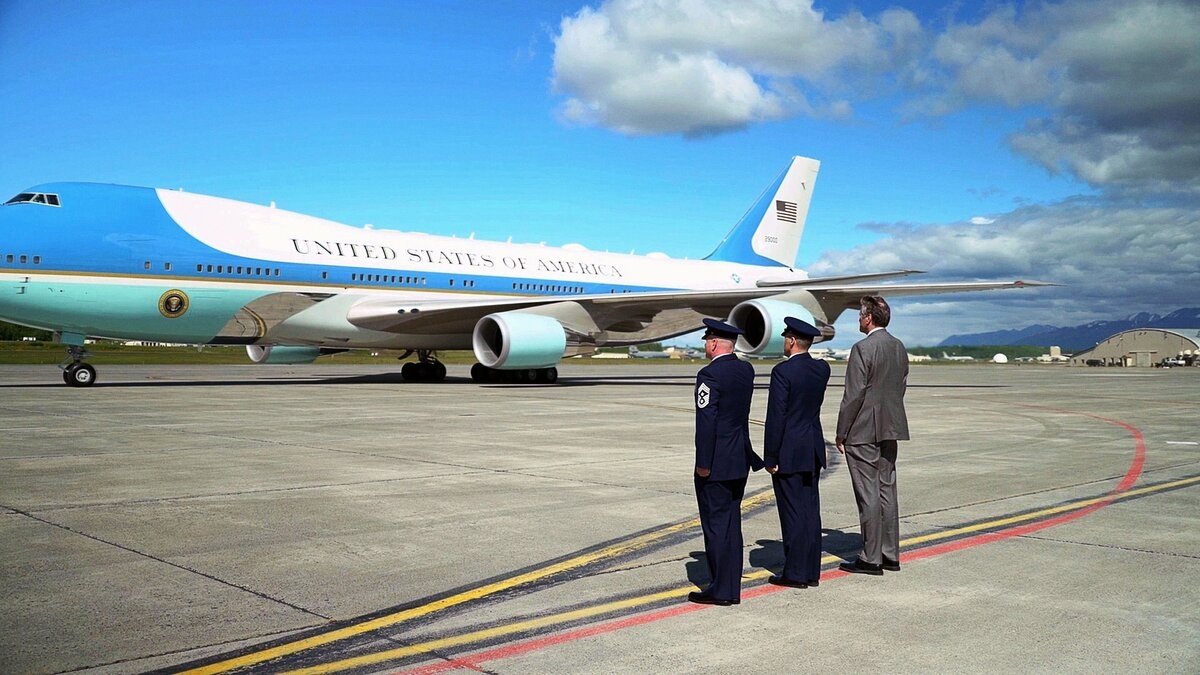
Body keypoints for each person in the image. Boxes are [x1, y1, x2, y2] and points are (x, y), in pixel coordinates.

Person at [689, 318, 764, 606]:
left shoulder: (709, 375)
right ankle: (730, 586)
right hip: (739, 458)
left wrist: (703, 462)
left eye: (708, 340)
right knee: (732, 524)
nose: (707, 345)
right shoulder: (745, 370)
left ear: (714, 343)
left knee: (716, 525)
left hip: (717, 462)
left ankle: (720, 589)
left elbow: (706, 422)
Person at [836, 295, 910, 575]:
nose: (858, 319)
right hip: (890, 427)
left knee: (867, 493)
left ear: (868, 318)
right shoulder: (898, 347)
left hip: (864, 429)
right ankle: (890, 554)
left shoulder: (862, 348)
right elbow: (900, 386)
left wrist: (842, 431)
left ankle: (870, 558)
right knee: (887, 489)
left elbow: (853, 395)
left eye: (859, 316)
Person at [763, 317, 830, 589]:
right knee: (810, 512)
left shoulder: (782, 372)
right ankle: (811, 571)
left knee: (792, 515)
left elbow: (776, 417)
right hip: (812, 447)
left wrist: (771, 456)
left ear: (791, 341)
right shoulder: (821, 369)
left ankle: (795, 573)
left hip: (789, 451)